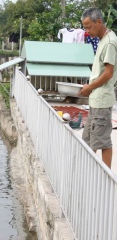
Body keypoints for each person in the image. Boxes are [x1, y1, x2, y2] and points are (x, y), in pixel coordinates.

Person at [79, 7, 117, 169]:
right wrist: (90, 89)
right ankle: (90, 173)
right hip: (96, 98)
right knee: (89, 140)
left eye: (89, 27)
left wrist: (90, 87)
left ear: (99, 22)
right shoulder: (102, 39)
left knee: (103, 141)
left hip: (102, 99)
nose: (86, 31)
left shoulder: (110, 42)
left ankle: (106, 178)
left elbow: (108, 73)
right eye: (85, 28)